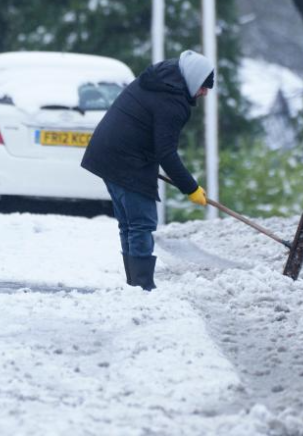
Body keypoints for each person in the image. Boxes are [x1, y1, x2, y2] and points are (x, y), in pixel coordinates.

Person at [81, 50, 214, 290]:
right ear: (193, 79)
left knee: (130, 224)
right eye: (204, 86)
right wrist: (191, 188)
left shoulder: (161, 80)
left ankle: (136, 284)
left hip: (107, 153)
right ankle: (142, 286)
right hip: (126, 159)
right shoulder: (172, 102)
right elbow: (167, 153)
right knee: (142, 223)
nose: (205, 93)